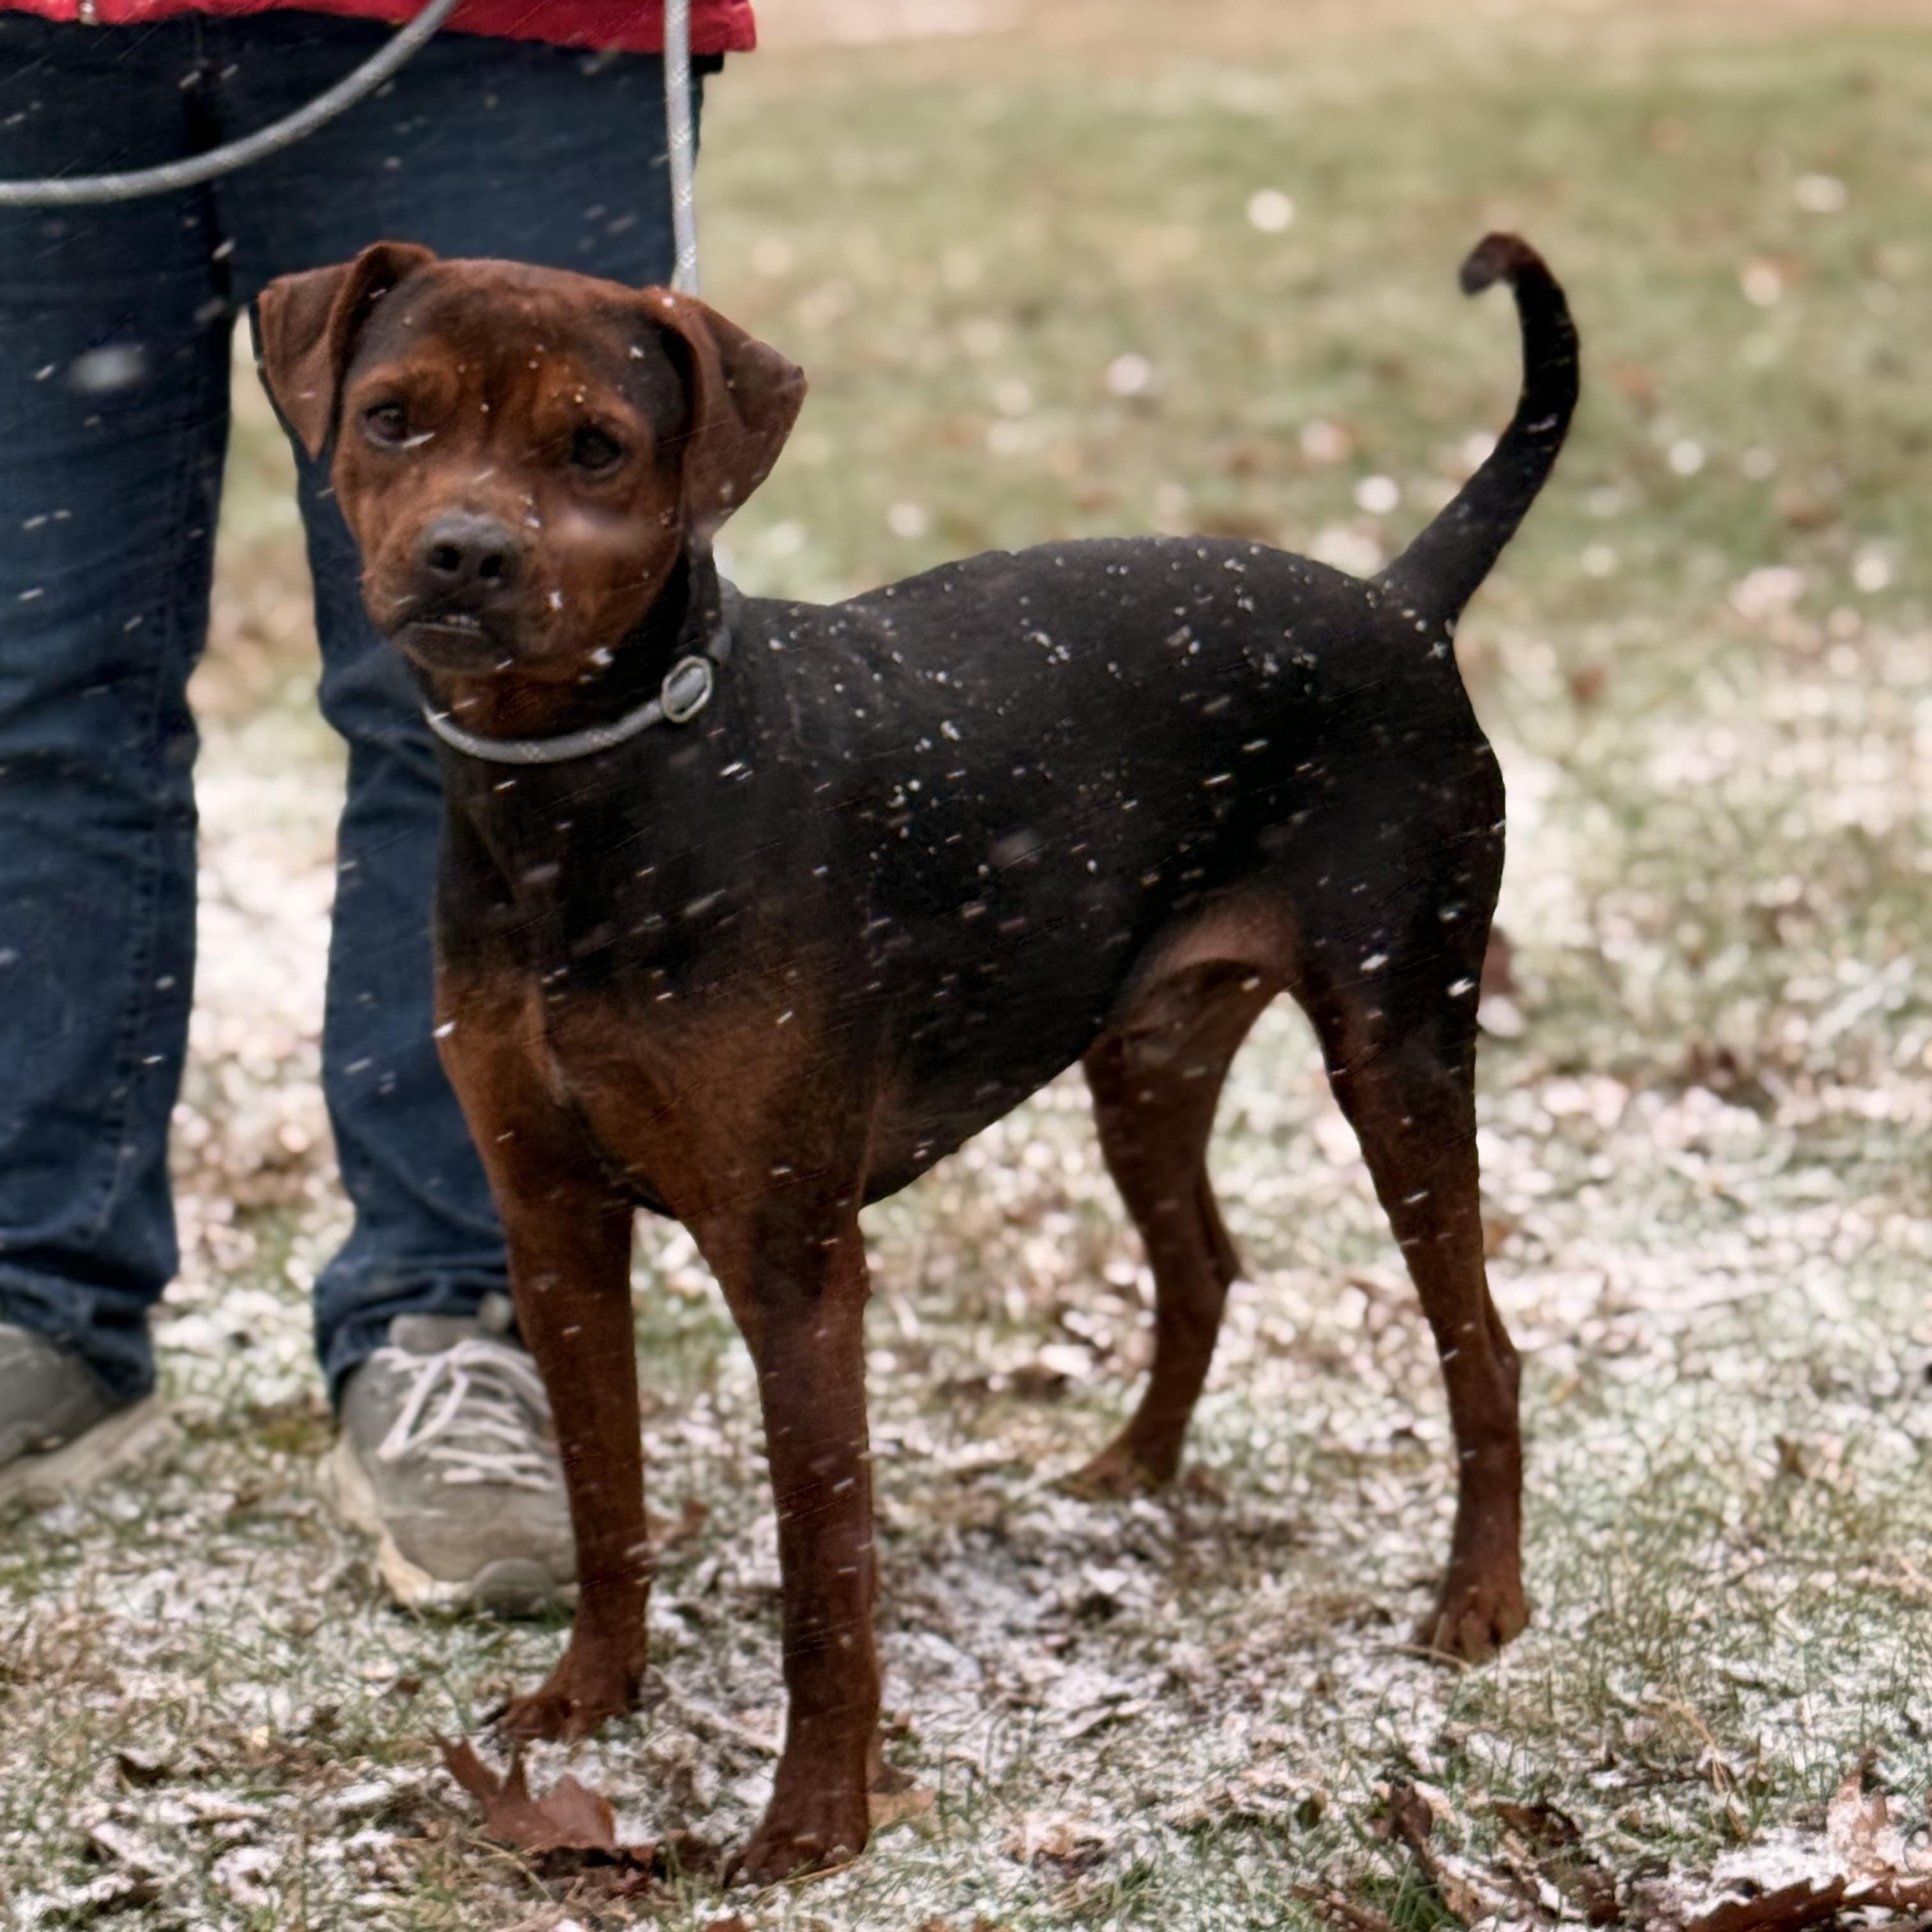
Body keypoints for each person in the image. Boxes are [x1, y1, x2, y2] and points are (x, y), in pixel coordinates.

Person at [0, 0, 753, 1614]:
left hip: (483, 26)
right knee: (28, 685)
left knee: (489, 707)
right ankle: (34, 1297)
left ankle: (450, 1318)